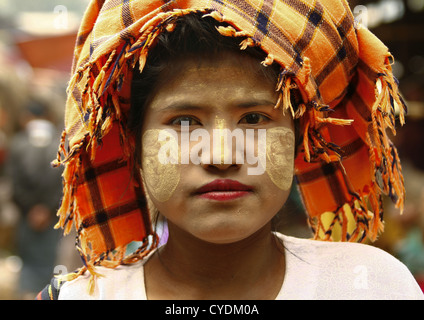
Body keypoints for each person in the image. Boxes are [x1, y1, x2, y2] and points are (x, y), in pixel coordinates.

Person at [37, 0, 423, 300]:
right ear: (135, 147)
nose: (222, 155)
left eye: (254, 120)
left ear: (299, 139)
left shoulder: (371, 285)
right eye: (185, 122)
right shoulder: (78, 296)